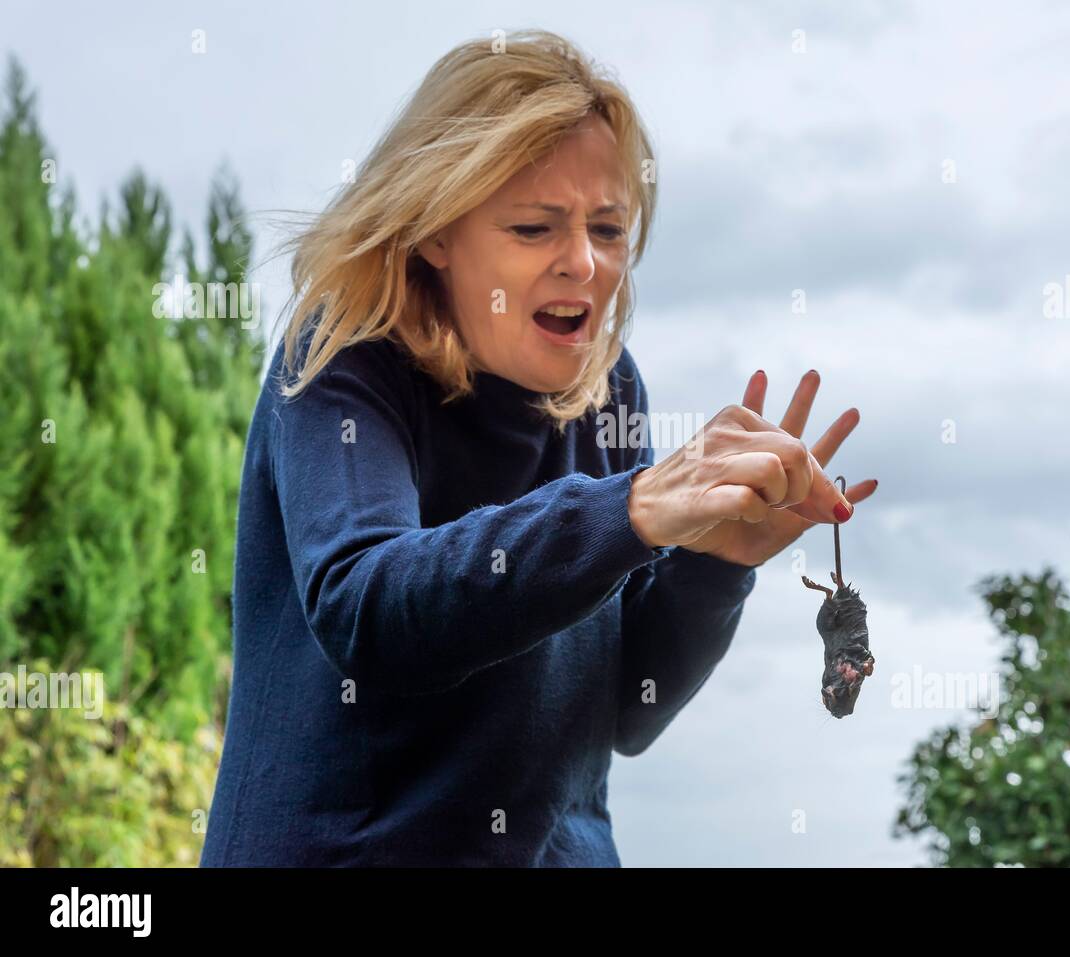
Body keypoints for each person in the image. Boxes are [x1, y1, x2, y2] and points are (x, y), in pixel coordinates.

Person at [200, 29, 877, 867]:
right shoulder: (345, 356)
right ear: (435, 229)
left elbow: (629, 710)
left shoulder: (610, 390)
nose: (583, 264)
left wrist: (715, 564)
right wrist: (628, 511)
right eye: (533, 227)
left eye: (609, 228)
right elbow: (368, 606)